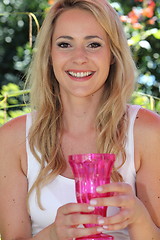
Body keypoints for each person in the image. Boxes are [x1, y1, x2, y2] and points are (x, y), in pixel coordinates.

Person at [0, 0, 160, 239]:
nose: (79, 58)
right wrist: (54, 233)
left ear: (112, 54)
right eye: (65, 44)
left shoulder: (147, 132)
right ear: (50, 55)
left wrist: (138, 217)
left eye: (93, 44)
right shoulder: (12, 139)